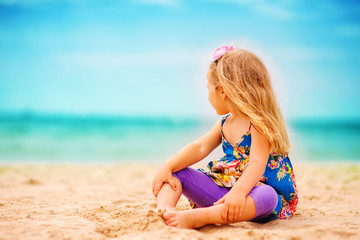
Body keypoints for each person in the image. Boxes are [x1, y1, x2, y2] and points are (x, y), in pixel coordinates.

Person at [152, 45, 298, 229]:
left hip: (252, 200)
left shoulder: (259, 125)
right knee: (174, 172)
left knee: (268, 195)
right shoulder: (224, 123)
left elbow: (257, 164)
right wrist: (168, 165)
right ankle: (165, 210)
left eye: (208, 89)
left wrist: (238, 193)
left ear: (222, 91)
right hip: (224, 196)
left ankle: (202, 216)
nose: (208, 95)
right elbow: (200, 147)